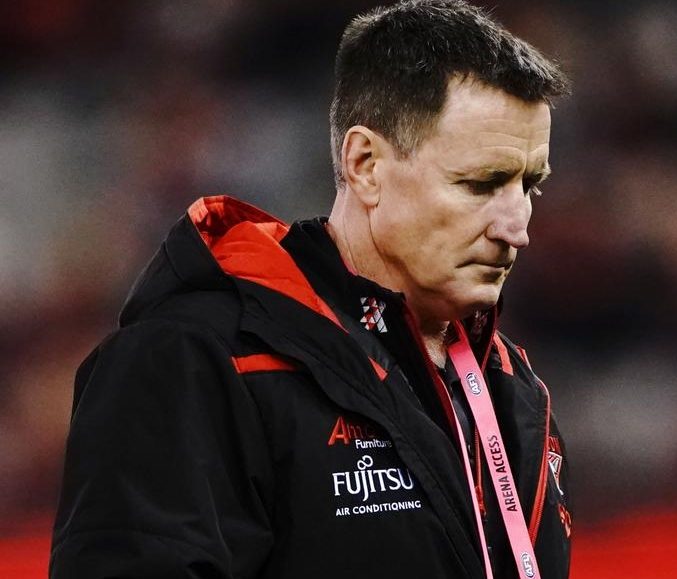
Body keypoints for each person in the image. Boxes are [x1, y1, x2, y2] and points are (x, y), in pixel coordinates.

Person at [50, 1, 571, 577]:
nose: (517, 228)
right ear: (365, 164)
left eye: (530, 186)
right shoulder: (195, 362)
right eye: (481, 184)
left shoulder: (516, 392)